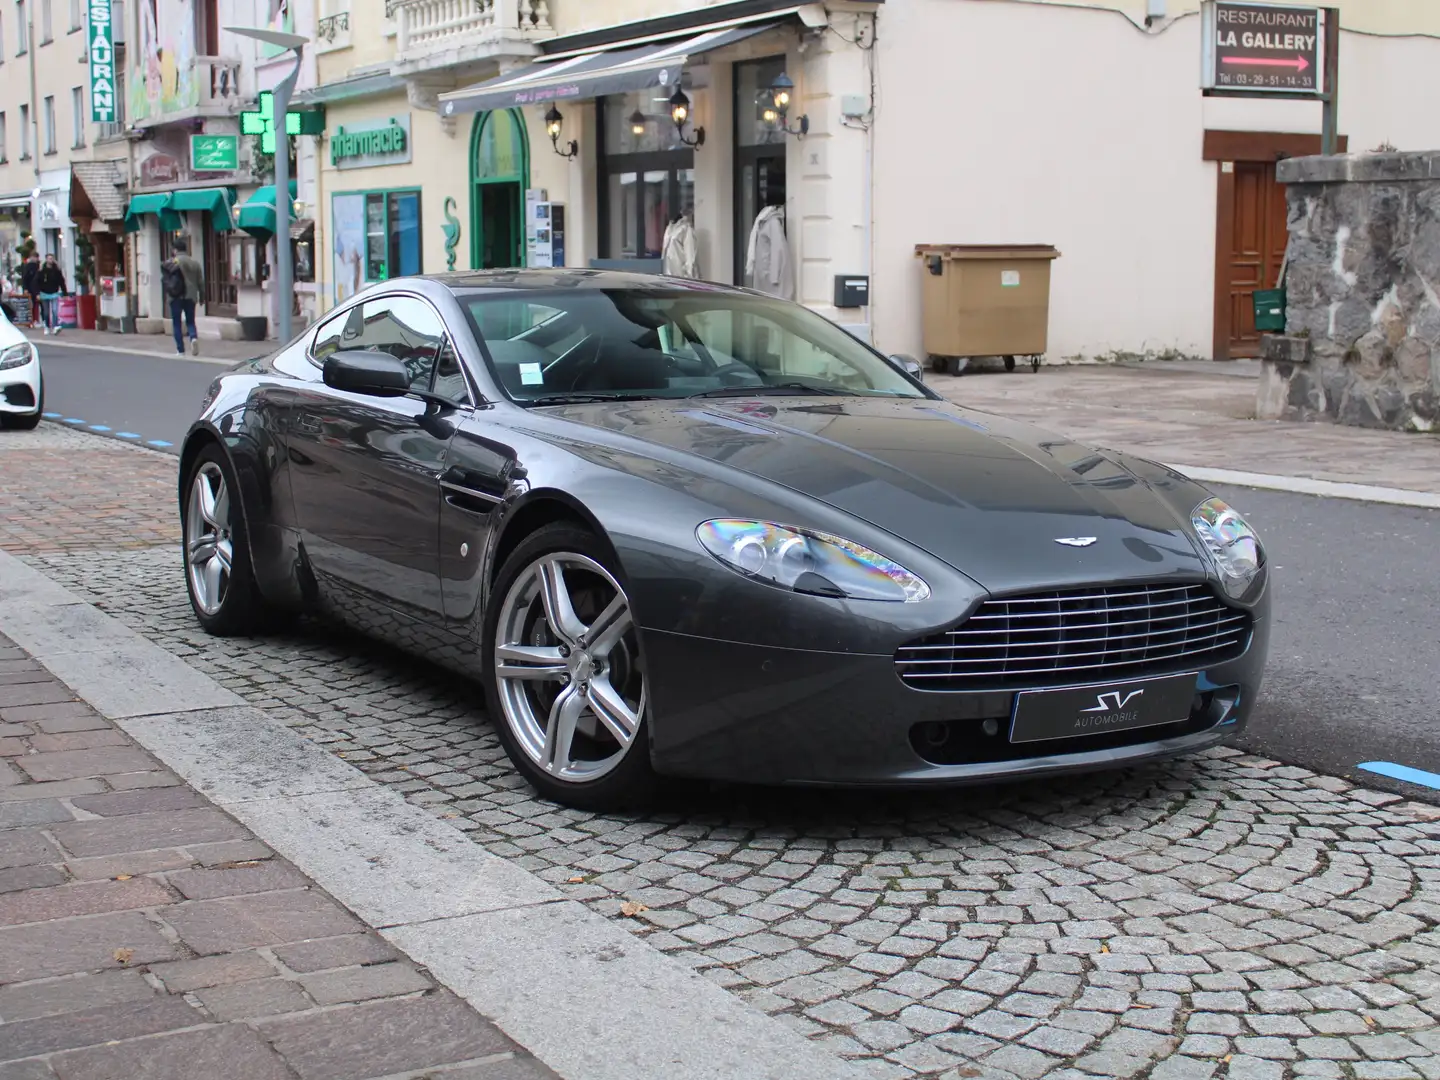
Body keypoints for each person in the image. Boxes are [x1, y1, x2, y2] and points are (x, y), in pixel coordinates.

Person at [163, 236, 204, 355]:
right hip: (191, 295)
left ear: (175, 250)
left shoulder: (171, 262)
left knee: (176, 322)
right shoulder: (194, 263)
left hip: (176, 295)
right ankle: (193, 337)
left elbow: (166, 279)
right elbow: (200, 282)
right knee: (190, 321)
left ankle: (180, 349)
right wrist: (202, 296)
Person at [35, 254, 68, 337]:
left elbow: (61, 281)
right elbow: (37, 282)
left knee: (55, 311)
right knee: (46, 312)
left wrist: (65, 293)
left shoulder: (56, 270)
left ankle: (55, 326)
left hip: (54, 293)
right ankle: (46, 326)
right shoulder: (42, 270)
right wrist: (37, 293)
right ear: (46, 260)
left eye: (52, 258)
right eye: (49, 258)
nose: (50, 260)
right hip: (44, 293)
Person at [19, 252, 41, 329]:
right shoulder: (27, 266)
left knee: (37, 305)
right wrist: (25, 288)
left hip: (38, 289)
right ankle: (31, 321)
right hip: (30, 289)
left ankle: (36, 320)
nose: (34, 259)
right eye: (33, 257)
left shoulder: (39, 266)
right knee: (31, 305)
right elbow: (25, 278)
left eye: (35, 257)